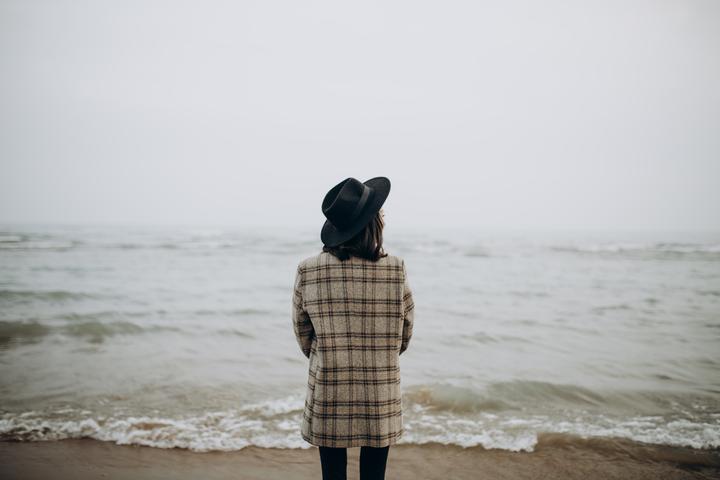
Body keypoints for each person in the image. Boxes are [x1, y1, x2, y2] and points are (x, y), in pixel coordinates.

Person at [292, 176, 415, 480]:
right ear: (373, 223)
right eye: (381, 214)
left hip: (329, 385)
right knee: (374, 474)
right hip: (380, 387)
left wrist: (329, 355)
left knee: (332, 473)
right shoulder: (395, 268)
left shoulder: (309, 269)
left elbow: (303, 332)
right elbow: (405, 331)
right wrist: (380, 355)